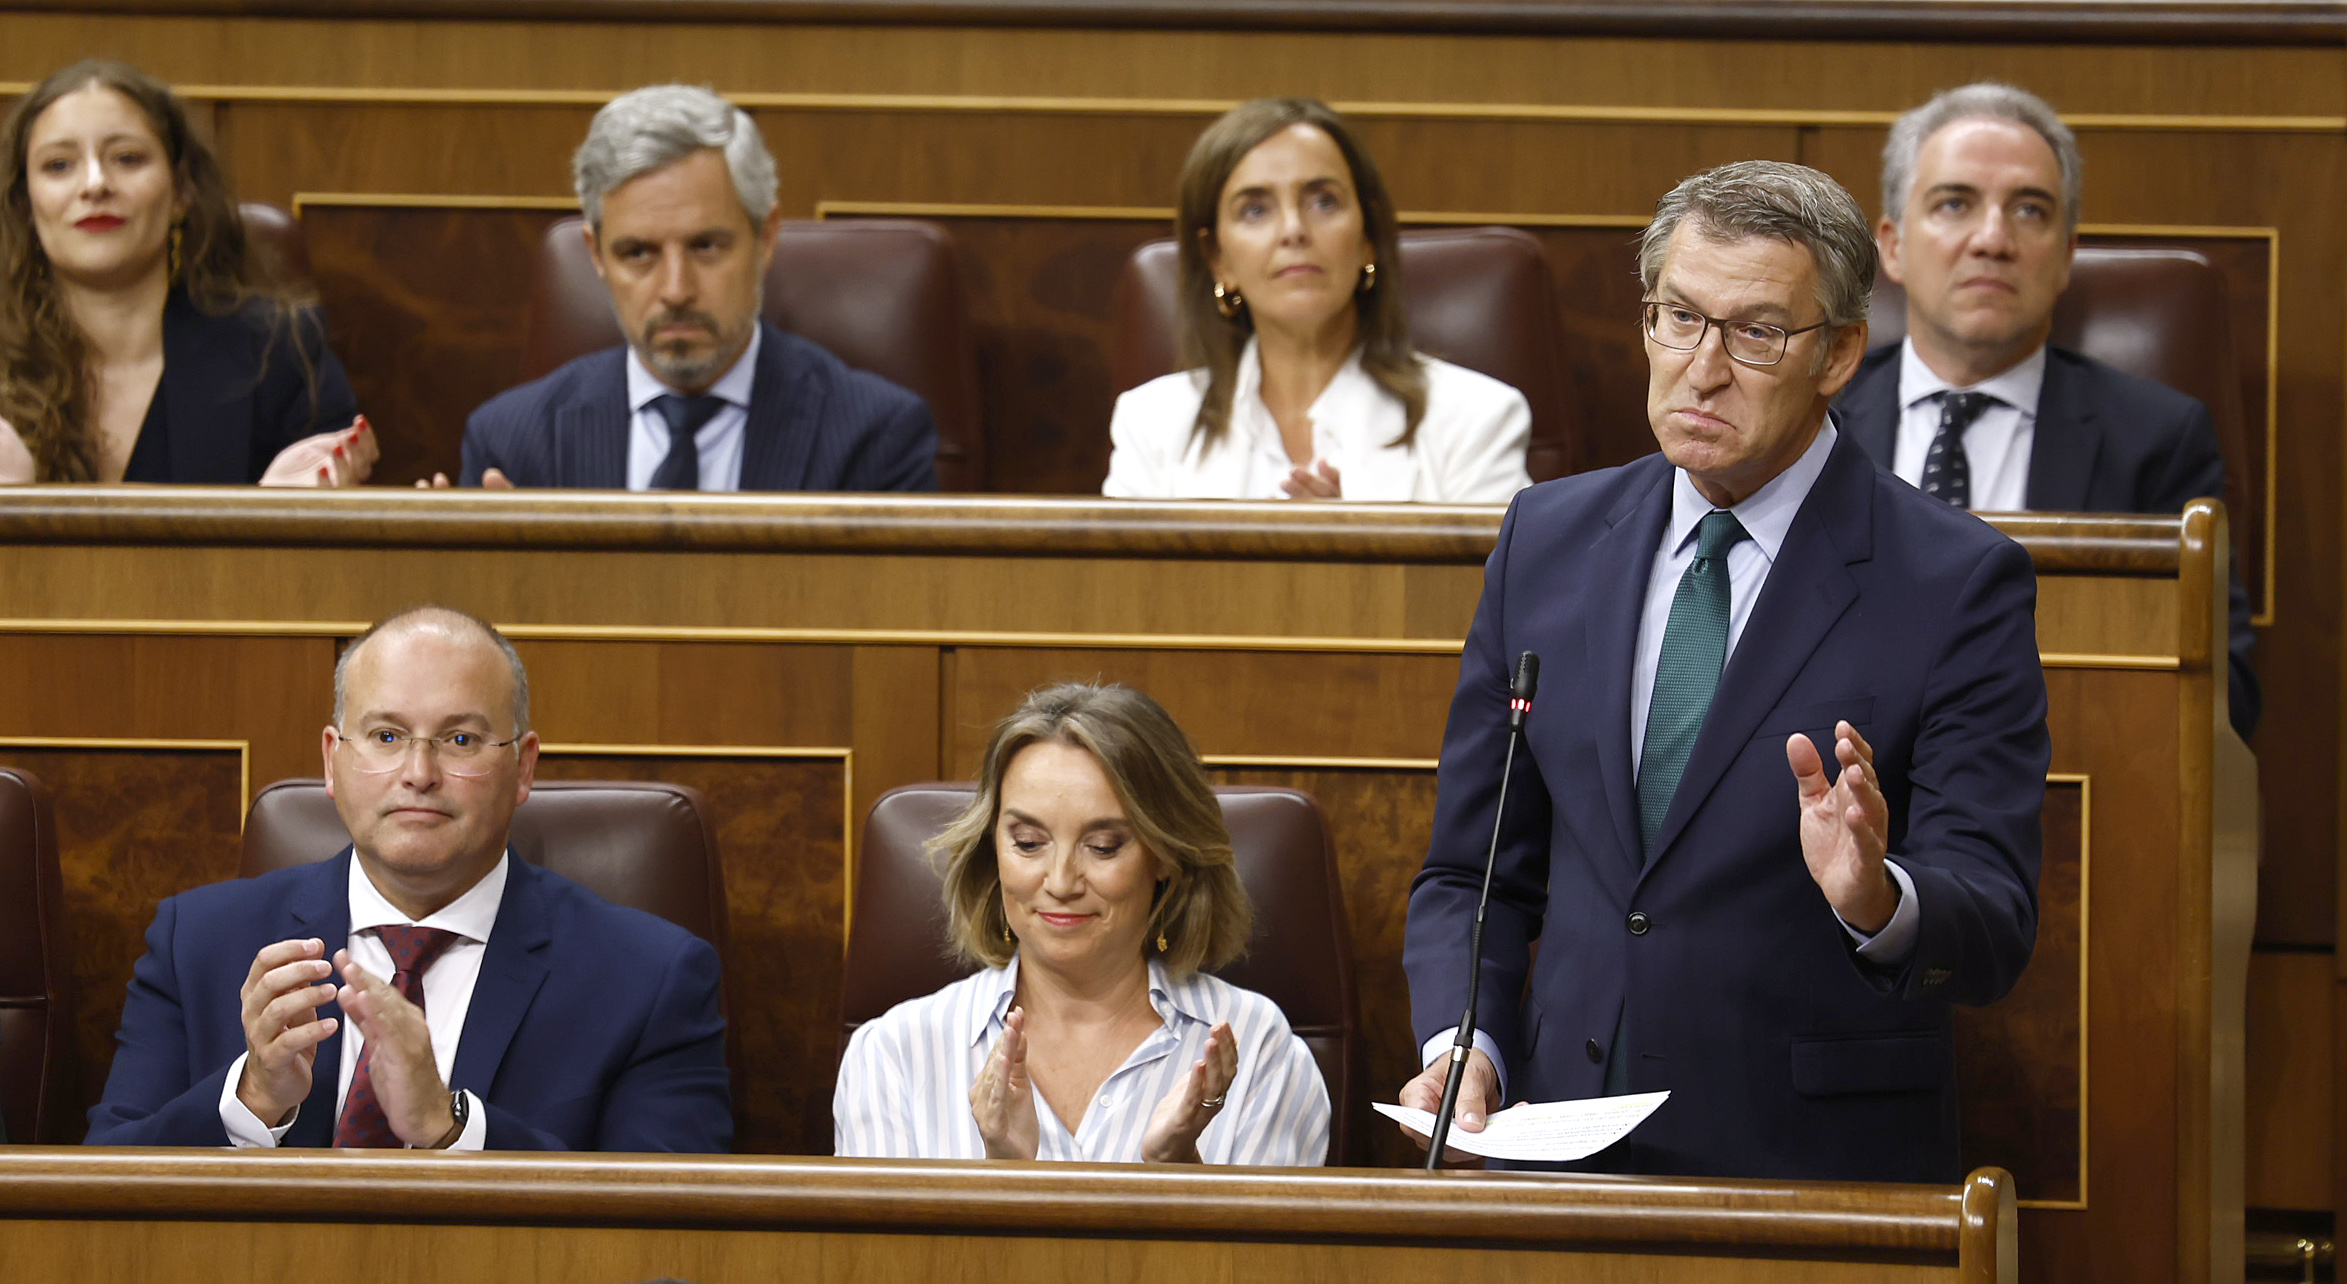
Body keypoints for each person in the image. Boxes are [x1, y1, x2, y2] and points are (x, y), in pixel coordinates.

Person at [1399, 161, 2047, 1183]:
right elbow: (1470, 875)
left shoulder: (1956, 583)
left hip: (1808, 1172)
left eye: (1753, 333)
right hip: (1560, 1159)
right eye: (1677, 318)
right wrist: (1462, 1046)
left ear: (1836, 353)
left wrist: (1874, 896)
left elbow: (1993, 920)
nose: (1701, 368)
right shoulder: (1547, 539)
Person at [87, 606, 731, 1151]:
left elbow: (671, 1238)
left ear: (524, 768)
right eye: (387, 735)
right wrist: (250, 1099)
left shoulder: (648, 978)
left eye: (459, 740)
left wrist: (450, 1129)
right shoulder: (197, 942)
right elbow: (92, 1208)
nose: (419, 772)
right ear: (333, 761)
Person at [1837, 82, 2258, 736]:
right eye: (1954, 203)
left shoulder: (2155, 439)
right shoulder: (1813, 420)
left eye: (2029, 211)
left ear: (2065, 255)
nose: (1992, 239)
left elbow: (2219, 690)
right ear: (1890, 245)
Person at [834, 682, 1328, 1164]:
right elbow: (881, 1252)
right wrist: (1004, 1172)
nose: (1061, 880)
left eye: (1103, 847)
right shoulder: (894, 1054)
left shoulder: (1257, 1046)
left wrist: (1178, 1169)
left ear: (1166, 855)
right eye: (1028, 842)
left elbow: (1262, 1251)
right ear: (993, 850)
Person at [458, 84, 937, 493]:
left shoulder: (874, 437)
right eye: (638, 254)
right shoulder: (511, 443)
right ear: (597, 255)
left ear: (766, 237)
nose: (676, 289)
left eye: (706, 246)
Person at [1102, 98, 1531, 503]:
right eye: (1255, 210)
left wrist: (1358, 554)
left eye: (1323, 201)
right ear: (1218, 259)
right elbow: (1126, 584)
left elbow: (1499, 584)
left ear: (1367, 239)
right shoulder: (1151, 425)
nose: (1293, 229)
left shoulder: (1476, 420)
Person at [0, 60, 372, 486]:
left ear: (182, 191)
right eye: (59, 165)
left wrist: (279, 514)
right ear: (26, 205)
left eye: (127, 158)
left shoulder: (280, 352)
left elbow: (343, 544)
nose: (95, 184)